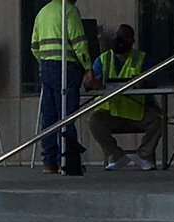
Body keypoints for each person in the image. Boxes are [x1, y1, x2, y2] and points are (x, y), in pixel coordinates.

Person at [83, 24, 163, 171]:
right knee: (93, 120)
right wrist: (90, 82)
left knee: (159, 119)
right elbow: (91, 82)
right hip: (111, 112)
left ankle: (144, 155)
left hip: (138, 112)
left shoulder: (142, 59)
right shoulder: (103, 60)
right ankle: (116, 156)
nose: (118, 40)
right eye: (116, 36)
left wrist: (143, 83)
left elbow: (154, 82)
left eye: (124, 36)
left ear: (132, 41)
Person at [31, 0, 91, 176]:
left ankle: (50, 163)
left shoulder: (43, 12)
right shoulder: (69, 10)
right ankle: (67, 160)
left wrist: (44, 62)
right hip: (66, 68)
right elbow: (79, 42)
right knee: (67, 116)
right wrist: (88, 67)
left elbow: (34, 45)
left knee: (49, 117)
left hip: (46, 68)